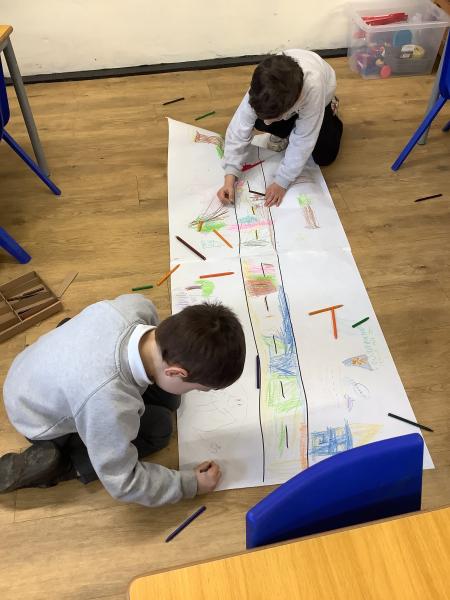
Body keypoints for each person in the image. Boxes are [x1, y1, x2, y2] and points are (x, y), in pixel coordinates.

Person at [0, 294, 246, 506]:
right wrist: (190, 484)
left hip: (34, 369)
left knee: (171, 400)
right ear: (175, 372)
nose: (196, 392)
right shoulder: (107, 400)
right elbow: (124, 481)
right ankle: (64, 464)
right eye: (199, 389)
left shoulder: (137, 307)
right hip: (36, 417)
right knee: (160, 428)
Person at [217, 49, 343, 207]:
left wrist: (282, 181)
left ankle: (331, 111)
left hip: (322, 100)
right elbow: (239, 126)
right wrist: (230, 175)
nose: (268, 123)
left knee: (325, 156)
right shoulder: (263, 85)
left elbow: (304, 139)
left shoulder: (313, 88)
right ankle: (285, 127)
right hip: (288, 102)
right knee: (259, 120)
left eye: (274, 118)